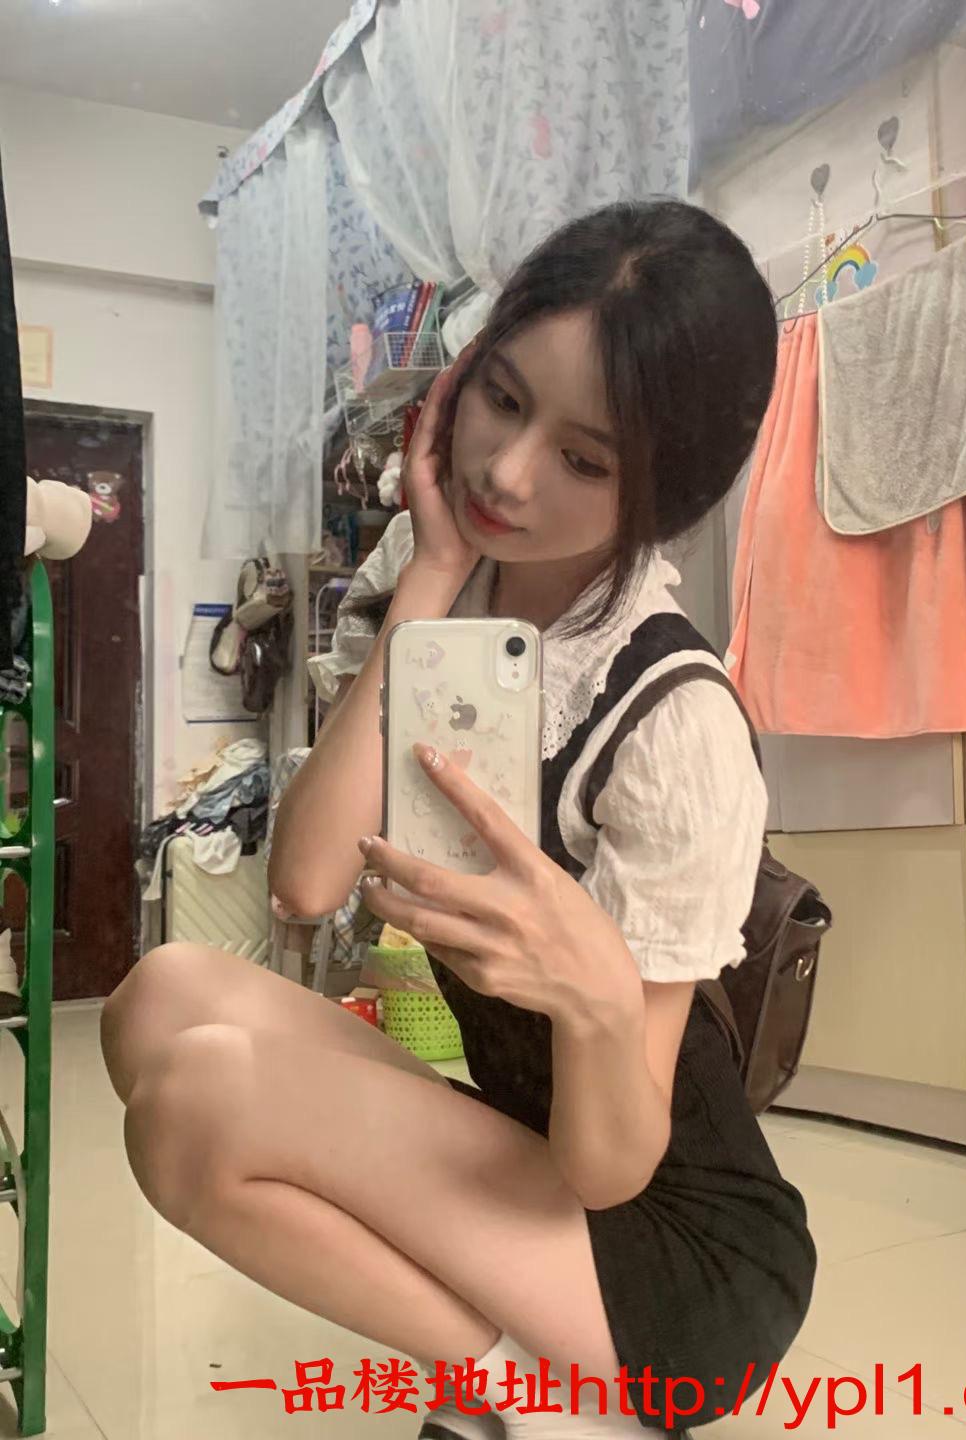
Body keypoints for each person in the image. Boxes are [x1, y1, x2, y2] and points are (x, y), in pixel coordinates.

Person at [101, 200, 815, 1440]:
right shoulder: (435, 572)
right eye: (503, 398)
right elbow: (304, 883)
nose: (506, 472)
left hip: (674, 1249)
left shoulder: (674, 724)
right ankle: (532, 1389)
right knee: (156, 998)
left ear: (666, 493)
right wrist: (430, 578)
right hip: (527, 1161)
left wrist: (595, 994)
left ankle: (543, 1404)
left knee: (198, 1107)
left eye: (585, 461)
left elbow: (609, 1166)